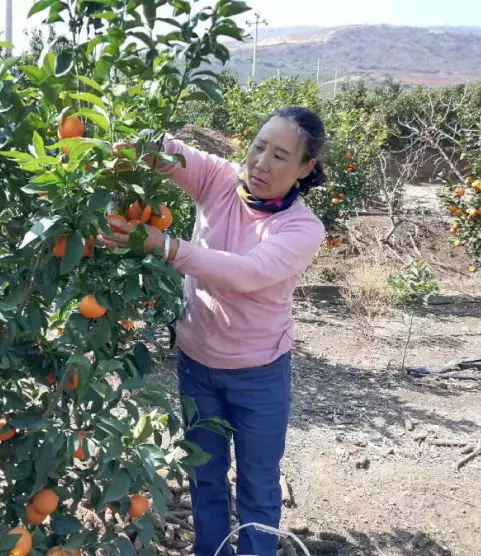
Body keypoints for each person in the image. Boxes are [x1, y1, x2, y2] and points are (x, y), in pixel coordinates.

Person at [98, 107, 328, 556]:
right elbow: (174, 153)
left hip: (259, 375)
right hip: (197, 366)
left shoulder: (303, 228)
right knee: (205, 478)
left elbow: (246, 272)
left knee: (259, 485)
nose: (261, 163)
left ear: (305, 169)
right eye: (259, 147)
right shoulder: (220, 181)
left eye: (280, 155)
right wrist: (130, 145)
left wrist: (166, 246)